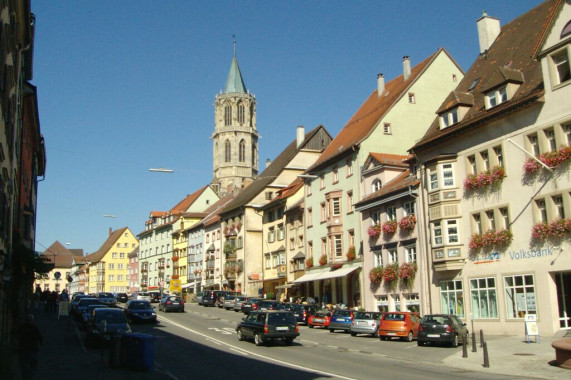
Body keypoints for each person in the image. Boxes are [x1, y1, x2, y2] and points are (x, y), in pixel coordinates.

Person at [18, 314, 43, 380]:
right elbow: (39, 337)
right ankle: (30, 375)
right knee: (33, 363)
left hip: (23, 348)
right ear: (31, 320)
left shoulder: (21, 327)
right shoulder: (34, 328)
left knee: (23, 364)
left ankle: (25, 376)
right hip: (32, 348)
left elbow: (18, 336)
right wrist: (41, 343)